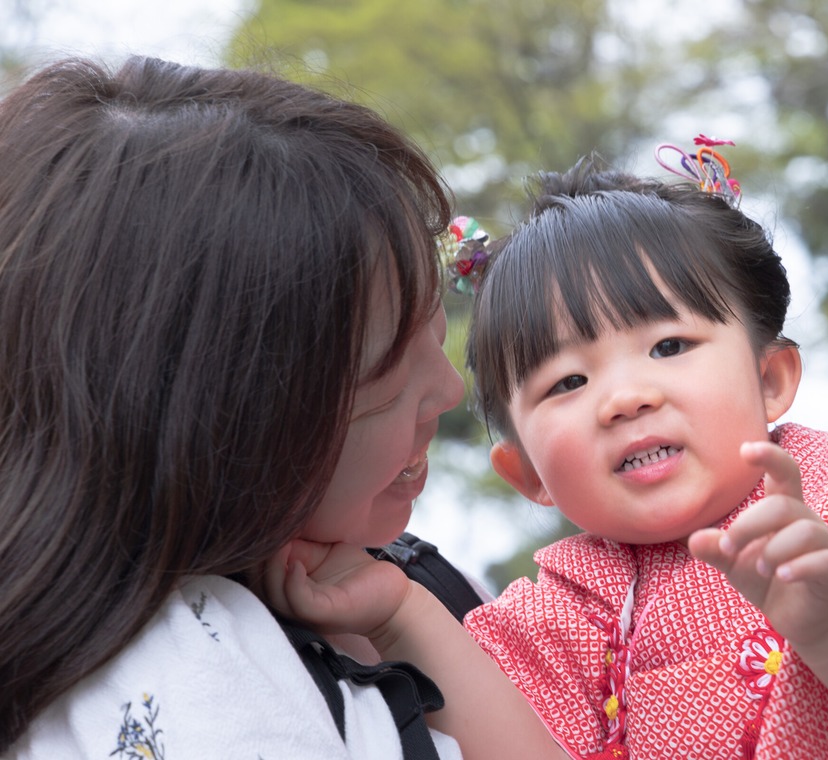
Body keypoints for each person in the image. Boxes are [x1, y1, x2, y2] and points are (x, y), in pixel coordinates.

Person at [0, 56, 562, 759]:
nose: (448, 392)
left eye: (433, 324)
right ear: (219, 416)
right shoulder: (187, 676)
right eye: (382, 370)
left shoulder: (406, 575)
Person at [458, 149, 828, 759]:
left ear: (771, 378)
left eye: (669, 345)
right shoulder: (544, 625)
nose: (625, 399)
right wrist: (404, 615)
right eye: (568, 382)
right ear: (526, 472)